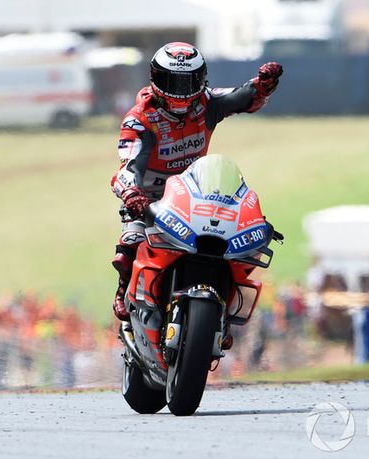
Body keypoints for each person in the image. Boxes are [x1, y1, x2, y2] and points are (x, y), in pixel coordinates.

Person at [109, 41, 283, 322]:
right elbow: (128, 165)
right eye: (172, 82)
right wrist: (131, 193)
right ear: (155, 79)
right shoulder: (139, 119)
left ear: (202, 80)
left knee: (231, 245)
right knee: (132, 239)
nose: (181, 91)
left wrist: (262, 87)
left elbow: (241, 97)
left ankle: (222, 313)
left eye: (188, 81)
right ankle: (123, 291)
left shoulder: (207, 103)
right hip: (149, 198)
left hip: (196, 192)